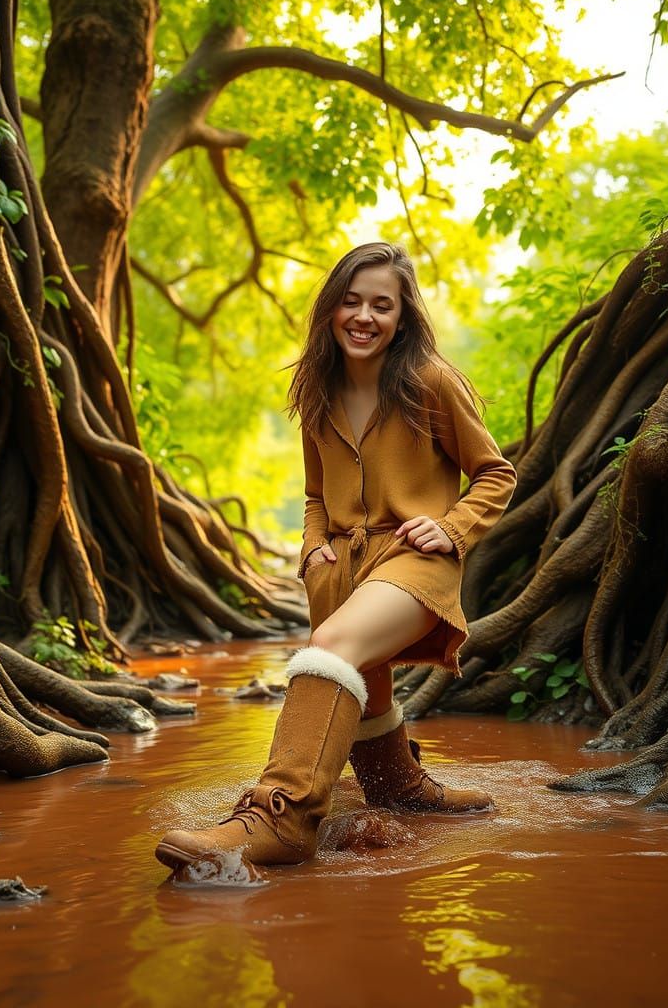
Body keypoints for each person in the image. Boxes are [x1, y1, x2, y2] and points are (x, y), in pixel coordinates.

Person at [155, 241, 518, 871]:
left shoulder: (431, 381)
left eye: (382, 305)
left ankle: (283, 817)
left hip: (413, 558)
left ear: (402, 317)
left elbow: (496, 474)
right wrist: (312, 548)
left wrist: (454, 528)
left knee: (329, 651)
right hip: (339, 567)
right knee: (359, 674)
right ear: (330, 310)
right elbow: (315, 493)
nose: (364, 316)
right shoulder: (318, 392)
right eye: (351, 301)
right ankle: (399, 787)